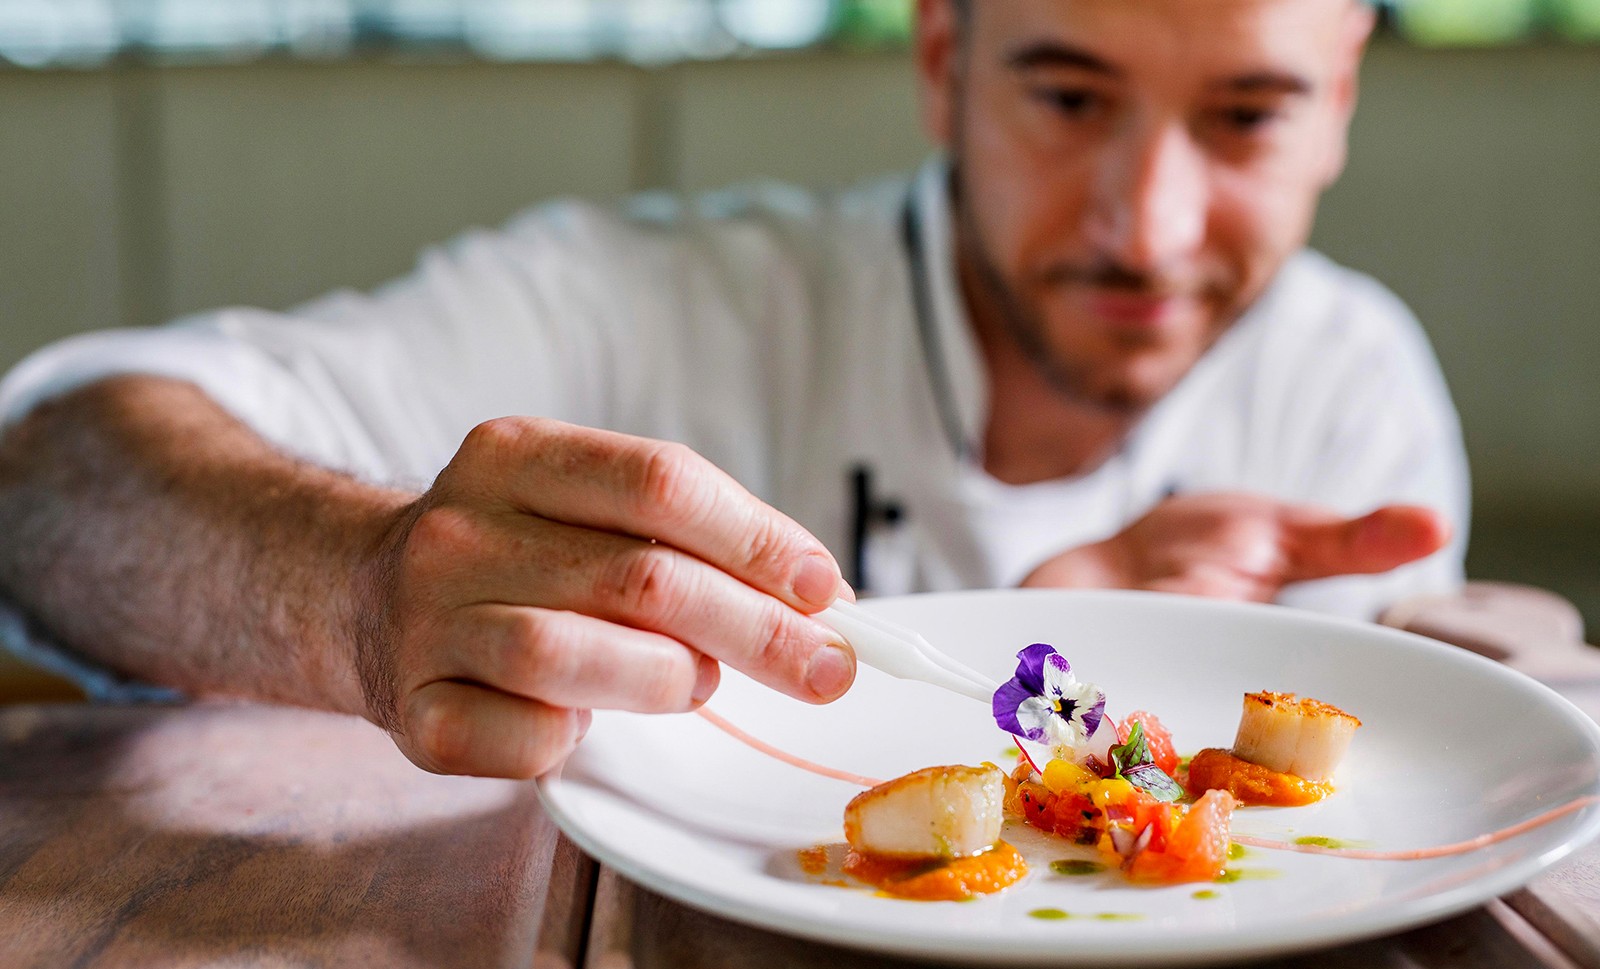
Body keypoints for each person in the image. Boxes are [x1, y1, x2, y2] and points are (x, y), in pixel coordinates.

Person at [0, 0, 1465, 780]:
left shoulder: (1349, 393)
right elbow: (51, 466)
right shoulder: (642, 307)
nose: (1146, 226)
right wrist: (358, 589)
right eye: (1070, 99)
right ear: (941, 58)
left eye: (1247, 115)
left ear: (1338, 100)